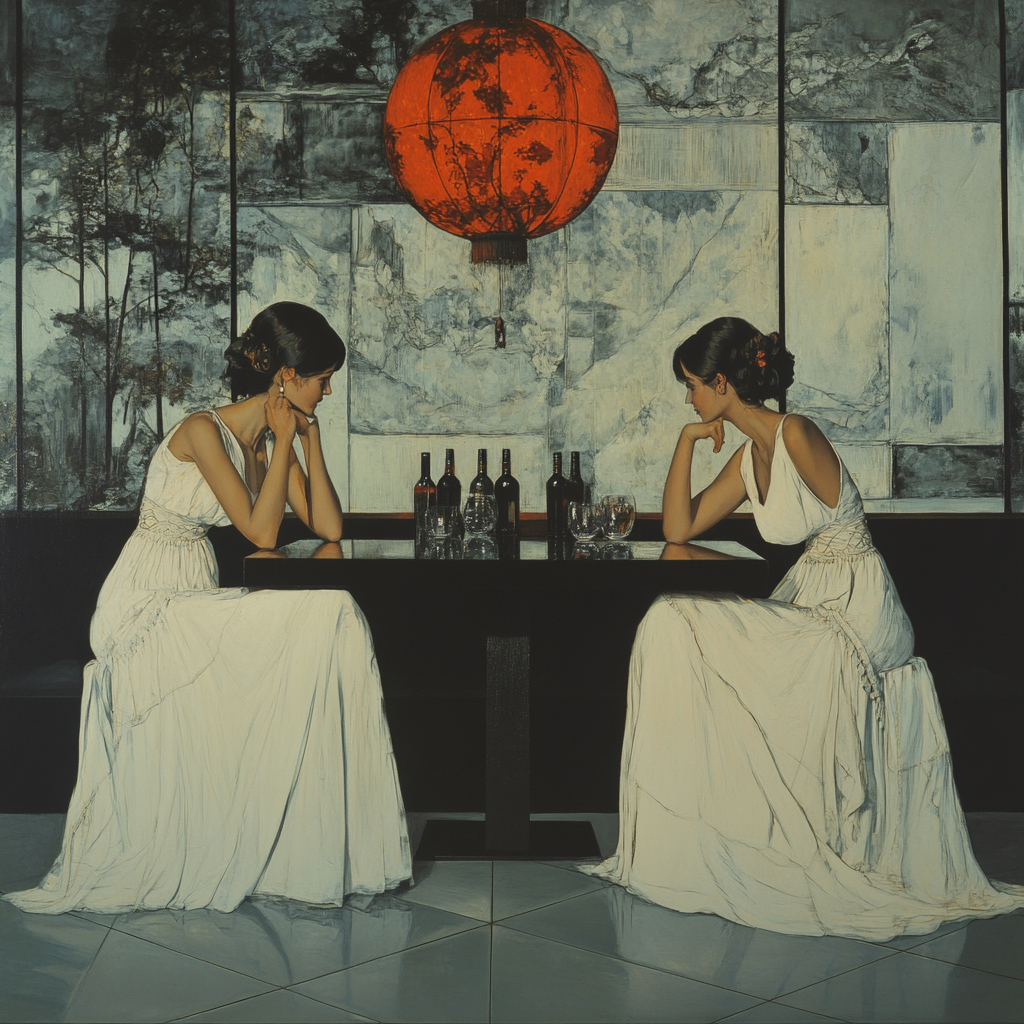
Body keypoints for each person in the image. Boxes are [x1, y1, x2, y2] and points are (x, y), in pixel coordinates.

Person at [585, 316, 1023, 940]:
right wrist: (686, 442)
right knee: (669, 620)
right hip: (811, 595)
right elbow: (680, 530)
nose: (688, 399)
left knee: (689, 623)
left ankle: (784, 845)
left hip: (858, 608)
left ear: (721, 385)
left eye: (691, 386)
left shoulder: (796, 434)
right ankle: (709, 841)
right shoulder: (747, 456)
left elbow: (844, 530)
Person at [4, 302, 412, 914]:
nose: (329, 390)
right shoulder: (202, 431)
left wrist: (310, 440)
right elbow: (263, 533)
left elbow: (326, 524)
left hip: (195, 587)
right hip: (145, 600)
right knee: (323, 614)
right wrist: (281, 444)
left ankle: (309, 849)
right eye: (322, 378)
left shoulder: (271, 439)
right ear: (285, 378)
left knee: (335, 612)